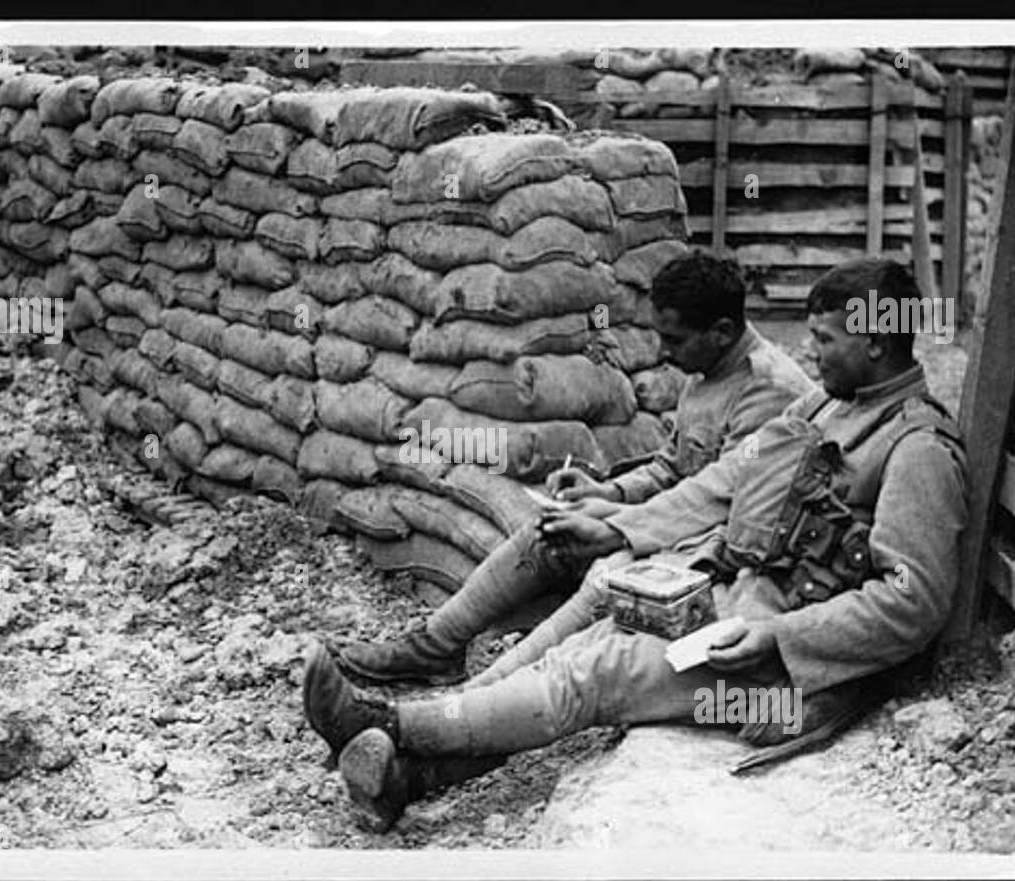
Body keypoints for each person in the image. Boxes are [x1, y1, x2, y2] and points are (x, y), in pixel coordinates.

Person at [303, 257, 969, 831]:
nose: (811, 351)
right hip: (736, 603)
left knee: (601, 673)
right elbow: (717, 483)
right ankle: (407, 778)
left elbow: (913, 602)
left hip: (793, 673)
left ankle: (389, 721)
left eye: (825, 339)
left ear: (876, 342)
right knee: (585, 644)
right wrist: (617, 521)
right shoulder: (826, 408)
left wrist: (780, 636)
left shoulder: (917, 449)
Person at [333, 249, 813, 688]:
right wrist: (605, 493)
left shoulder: (768, 391)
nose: (664, 352)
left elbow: (716, 496)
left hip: (719, 549)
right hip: (670, 525)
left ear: (723, 331)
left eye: (675, 339)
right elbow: (670, 469)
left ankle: (485, 694)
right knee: (548, 535)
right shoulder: (705, 373)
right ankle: (433, 648)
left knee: (607, 576)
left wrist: (616, 528)